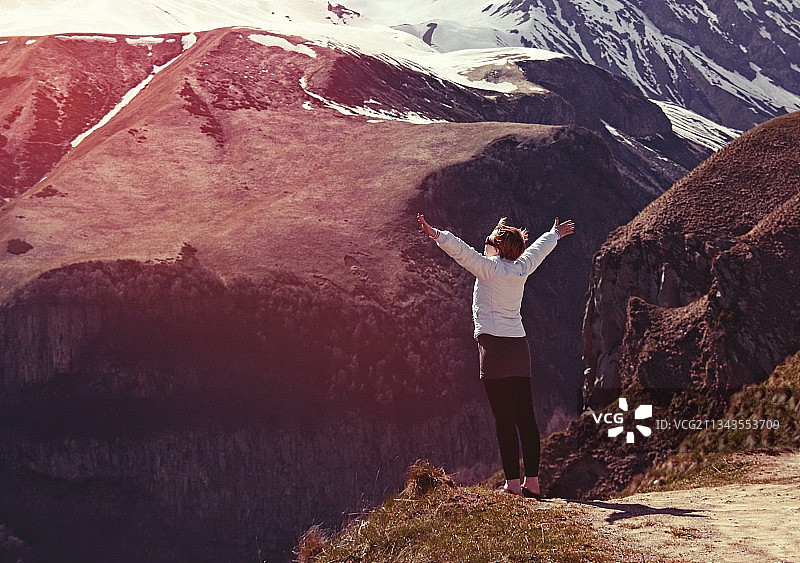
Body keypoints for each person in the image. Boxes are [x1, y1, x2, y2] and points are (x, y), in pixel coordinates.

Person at [416, 212, 575, 499]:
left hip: (493, 349)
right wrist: (554, 234)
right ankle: (533, 483)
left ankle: (513, 485)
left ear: (499, 247)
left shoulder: (488, 269)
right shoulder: (522, 267)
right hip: (518, 347)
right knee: (525, 418)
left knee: (504, 420)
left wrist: (435, 233)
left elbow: (461, 251)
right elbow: (537, 250)